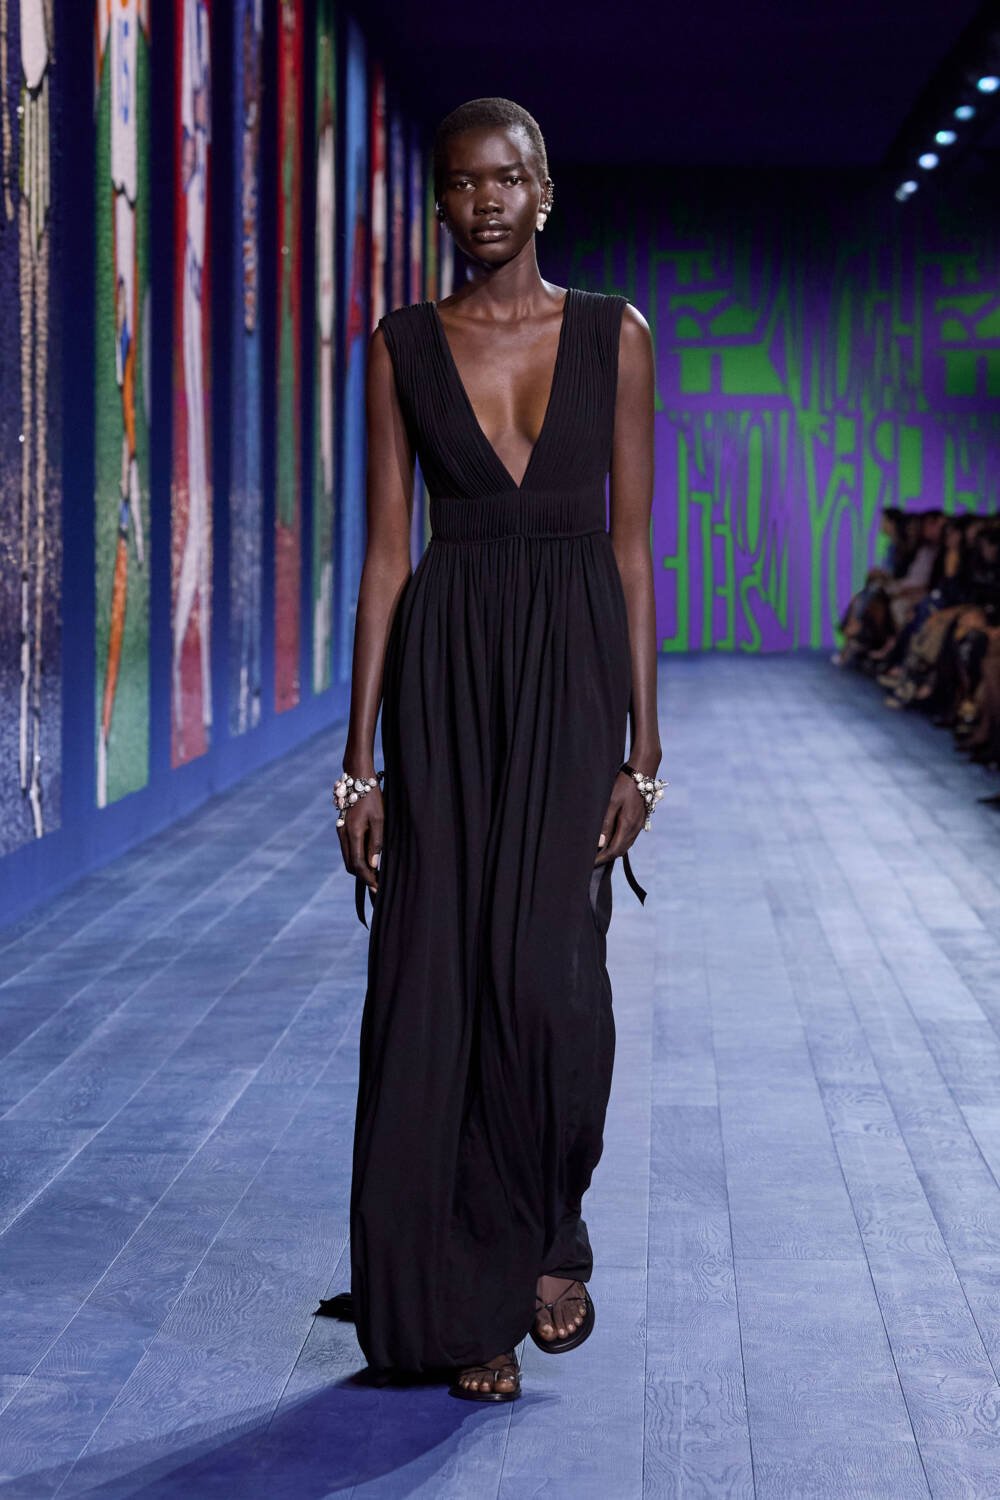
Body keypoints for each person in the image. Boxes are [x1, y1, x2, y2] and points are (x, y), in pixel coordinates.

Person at [332, 97, 662, 1403]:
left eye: (507, 179)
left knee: (551, 986)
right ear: (440, 203)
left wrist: (644, 750)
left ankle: (550, 1221)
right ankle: (475, 1302)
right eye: (463, 183)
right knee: (443, 983)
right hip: (448, 676)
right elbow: (383, 557)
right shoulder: (403, 346)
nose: (485, 201)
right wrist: (359, 764)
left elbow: (632, 551)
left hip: (574, 673)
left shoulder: (617, 335)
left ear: (545, 190)